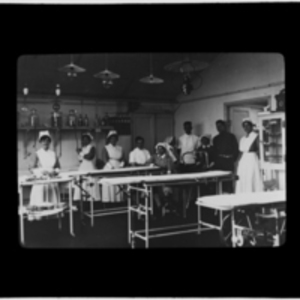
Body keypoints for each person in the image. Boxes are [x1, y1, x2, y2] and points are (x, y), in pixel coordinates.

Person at [28, 131, 61, 219]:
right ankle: (39, 221)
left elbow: (58, 167)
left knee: (52, 204)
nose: (45, 142)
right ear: (40, 142)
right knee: (40, 202)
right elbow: (31, 168)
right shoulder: (37, 153)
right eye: (43, 140)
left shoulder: (53, 153)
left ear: (50, 141)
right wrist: (41, 172)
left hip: (52, 181)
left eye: (47, 140)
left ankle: (52, 219)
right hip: (41, 181)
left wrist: (55, 171)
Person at [149, 143, 178, 217]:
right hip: (155, 178)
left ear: (164, 150)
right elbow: (148, 162)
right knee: (153, 190)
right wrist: (150, 164)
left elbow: (168, 167)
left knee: (167, 190)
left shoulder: (168, 158)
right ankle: (159, 206)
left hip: (165, 178)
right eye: (157, 148)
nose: (158, 150)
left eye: (160, 148)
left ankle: (169, 206)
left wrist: (157, 165)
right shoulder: (154, 157)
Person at [235, 119, 263, 193]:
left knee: (251, 177)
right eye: (244, 126)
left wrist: (261, 163)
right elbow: (240, 152)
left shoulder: (255, 136)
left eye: (248, 125)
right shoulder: (242, 139)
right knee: (244, 178)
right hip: (244, 161)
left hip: (252, 159)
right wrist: (238, 162)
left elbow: (260, 150)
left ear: (251, 126)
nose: (246, 127)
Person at [212, 120, 239, 193]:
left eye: (220, 126)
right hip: (219, 162)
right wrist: (215, 162)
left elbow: (236, 149)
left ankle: (230, 197)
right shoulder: (215, 138)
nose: (218, 128)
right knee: (220, 181)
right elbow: (214, 152)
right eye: (217, 127)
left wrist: (232, 159)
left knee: (229, 181)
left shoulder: (231, 136)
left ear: (224, 126)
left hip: (228, 161)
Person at [73, 132, 100, 203]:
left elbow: (89, 157)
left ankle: (92, 200)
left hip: (90, 167)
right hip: (83, 168)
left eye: (86, 139)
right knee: (82, 184)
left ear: (89, 140)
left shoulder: (92, 147)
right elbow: (80, 160)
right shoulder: (82, 148)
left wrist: (81, 153)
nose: (84, 141)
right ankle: (83, 200)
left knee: (90, 183)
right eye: (83, 139)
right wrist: (78, 153)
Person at [101, 130, 126, 203]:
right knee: (110, 184)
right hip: (109, 167)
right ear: (109, 139)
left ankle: (118, 200)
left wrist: (121, 165)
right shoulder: (106, 147)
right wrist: (110, 167)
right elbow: (104, 159)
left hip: (118, 167)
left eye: (115, 138)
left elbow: (123, 158)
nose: (113, 140)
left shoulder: (120, 148)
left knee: (118, 184)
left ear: (117, 139)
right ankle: (109, 200)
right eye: (112, 138)